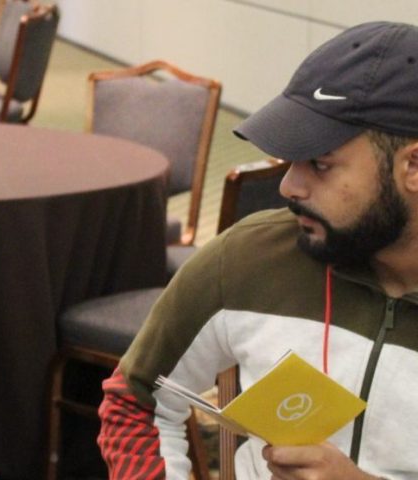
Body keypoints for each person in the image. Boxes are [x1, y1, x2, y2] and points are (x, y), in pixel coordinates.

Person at [97, 20, 418, 480]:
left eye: (321, 165)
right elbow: (136, 400)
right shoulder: (248, 257)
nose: (289, 186)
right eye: (289, 159)